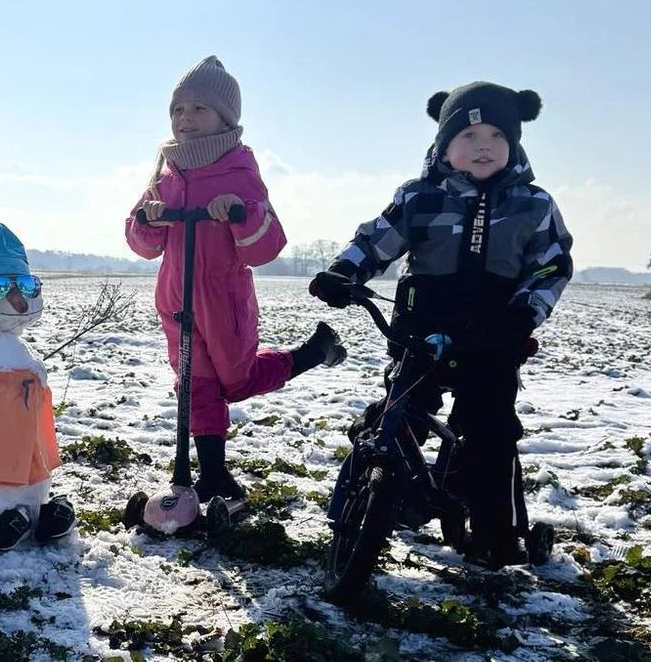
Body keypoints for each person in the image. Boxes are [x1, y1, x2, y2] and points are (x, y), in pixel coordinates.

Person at [311, 81, 573, 567]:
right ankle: (362, 502)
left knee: (490, 430)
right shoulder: (419, 197)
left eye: (497, 135)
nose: (483, 146)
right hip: (421, 332)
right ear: (444, 144)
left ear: (514, 143)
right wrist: (344, 272)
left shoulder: (533, 205)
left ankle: (495, 530)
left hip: (494, 339)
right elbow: (376, 240)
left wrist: (523, 315)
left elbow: (551, 266)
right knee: (398, 413)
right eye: (469, 135)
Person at [126, 56, 345, 504]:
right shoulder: (166, 175)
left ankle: (312, 351)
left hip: (223, 297)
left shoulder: (240, 170)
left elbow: (266, 246)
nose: (185, 119)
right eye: (177, 110)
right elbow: (144, 245)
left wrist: (241, 216)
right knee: (194, 382)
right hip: (176, 297)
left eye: (198, 109)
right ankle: (212, 475)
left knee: (236, 381)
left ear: (225, 118)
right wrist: (147, 220)